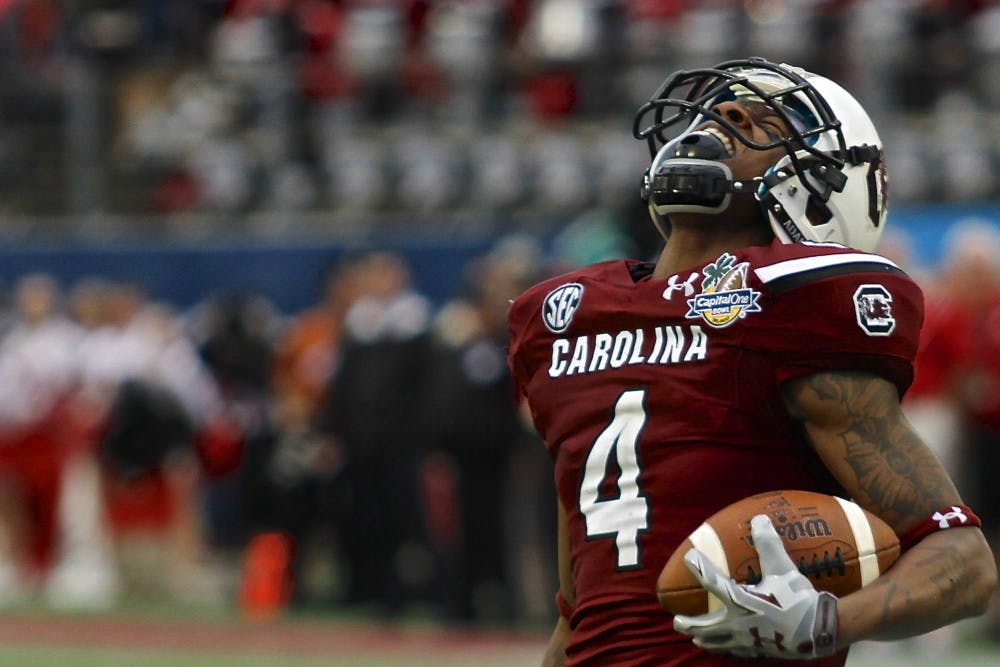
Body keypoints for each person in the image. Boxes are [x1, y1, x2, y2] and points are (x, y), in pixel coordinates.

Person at [506, 57, 997, 667]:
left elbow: (964, 563)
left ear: (822, 193)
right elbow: (578, 612)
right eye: (719, 108)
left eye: (767, 120)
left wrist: (827, 621)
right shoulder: (566, 317)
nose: (725, 112)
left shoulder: (793, 303)